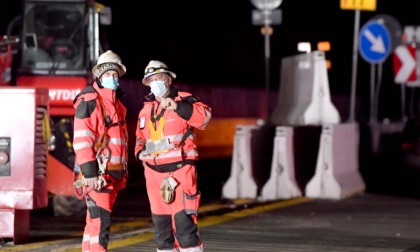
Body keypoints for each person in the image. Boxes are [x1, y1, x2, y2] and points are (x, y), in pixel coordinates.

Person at [134, 60, 212, 252]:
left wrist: (177, 107)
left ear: (168, 79)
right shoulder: (145, 110)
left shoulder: (185, 99)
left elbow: (204, 118)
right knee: (162, 234)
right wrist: (138, 153)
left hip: (180, 172)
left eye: (159, 78)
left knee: (185, 230)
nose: (155, 82)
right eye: (151, 79)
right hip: (153, 176)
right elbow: (140, 138)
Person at [72, 50, 129, 251]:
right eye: (107, 75)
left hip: (111, 175)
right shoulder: (90, 101)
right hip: (98, 176)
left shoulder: (117, 105)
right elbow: (81, 140)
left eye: (115, 74)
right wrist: (89, 173)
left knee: (94, 223)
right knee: (101, 226)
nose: (112, 78)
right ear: (99, 76)